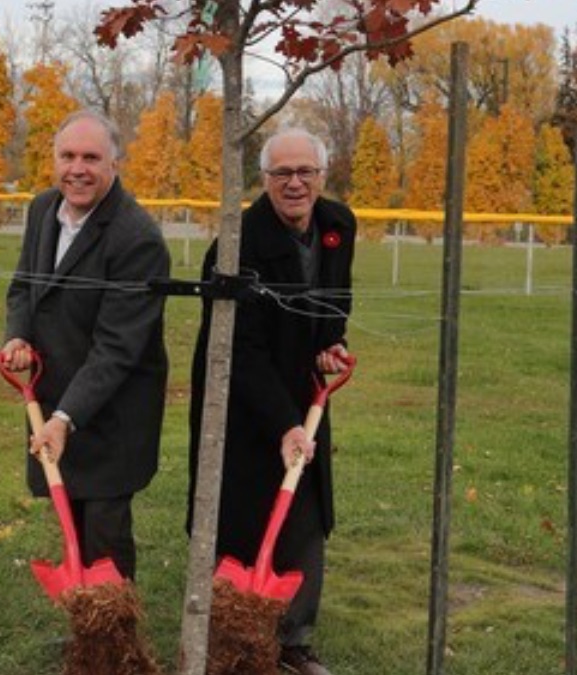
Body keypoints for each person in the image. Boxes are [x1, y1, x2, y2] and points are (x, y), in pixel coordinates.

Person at [189, 128, 355, 675]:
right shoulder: (237, 243)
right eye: (282, 173)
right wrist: (282, 422)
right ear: (264, 180)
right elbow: (240, 349)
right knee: (242, 511)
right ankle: (237, 640)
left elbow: (336, 303)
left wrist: (333, 345)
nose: (295, 183)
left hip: (305, 391)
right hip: (240, 394)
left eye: (305, 171)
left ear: (322, 175)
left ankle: (294, 642)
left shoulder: (337, 225)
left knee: (305, 511)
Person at [1, 109, 170, 581]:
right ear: (54, 160)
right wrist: (18, 334)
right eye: (68, 156)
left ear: (114, 164)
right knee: (69, 518)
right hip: (56, 398)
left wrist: (64, 418)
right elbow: (23, 287)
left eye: (91, 157)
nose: (78, 168)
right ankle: (87, 631)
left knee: (103, 532)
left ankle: (115, 641)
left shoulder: (136, 239)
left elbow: (118, 349)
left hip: (112, 414)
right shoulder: (42, 210)